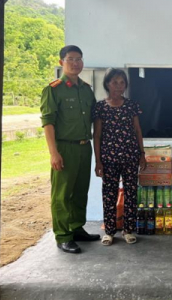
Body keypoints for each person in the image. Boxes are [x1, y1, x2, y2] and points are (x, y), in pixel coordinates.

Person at [41, 45, 99, 254]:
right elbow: (48, 122)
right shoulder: (54, 89)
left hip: (85, 147)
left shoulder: (85, 89)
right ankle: (63, 235)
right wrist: (53, 152)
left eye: (79, 59)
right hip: (65, 147)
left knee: (80, 190)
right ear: (61, 62)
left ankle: (76, 228)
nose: (75, 63)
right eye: (71, 59)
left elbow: (95, 118)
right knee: (62, 193)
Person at [93, 68, 146, 246]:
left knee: (131, 193)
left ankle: (128, 230)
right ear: (107, 84)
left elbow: (138, 130)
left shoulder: (131, 105)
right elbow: (97, 135)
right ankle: (109, 232)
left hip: (130, 157)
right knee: (109, 194)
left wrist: (142, 154)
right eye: (115, 82)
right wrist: (98, 160)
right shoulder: (100, 107)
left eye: (122, 82)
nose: (118, 86)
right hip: (108, 159)